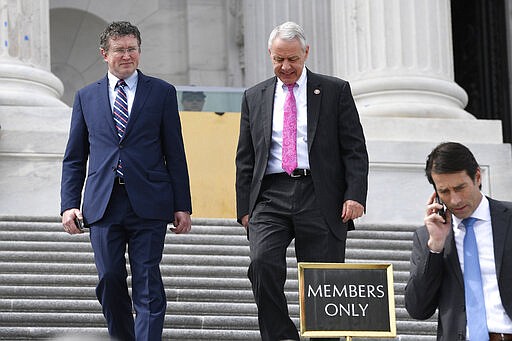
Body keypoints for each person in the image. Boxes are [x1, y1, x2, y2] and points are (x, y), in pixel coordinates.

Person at [235, 21, 369, 341]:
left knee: (324, 279)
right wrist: (244, 208)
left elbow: (354, 148)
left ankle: (325, 337)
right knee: (262, 263)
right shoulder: (255, 96)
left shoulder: (335, 90)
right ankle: (281, 335)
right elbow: (246, 156)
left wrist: (355, 194)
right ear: (270, 55)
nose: (285, 66)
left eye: (292, 59)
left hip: (320, 193)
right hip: (270, 194)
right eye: (278, 59)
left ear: (306, 53)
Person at [60, 21, 192, 341]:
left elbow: (174, 152)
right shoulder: (86, 97)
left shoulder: (161, 92)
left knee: (148, 281)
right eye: (119, 50)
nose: (127, 55)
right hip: (103, 204)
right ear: (105, 54)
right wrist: (68, 205)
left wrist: (182, 205)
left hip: (149, 202)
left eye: (132, 49)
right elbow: (75, 157)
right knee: (109, 279)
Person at [405, 142, 512, 341]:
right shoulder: (426, 238)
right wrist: (435, 246)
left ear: (478, 177)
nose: (455, 200)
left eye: (460, 188)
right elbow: (418, 309)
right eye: (444, 191)